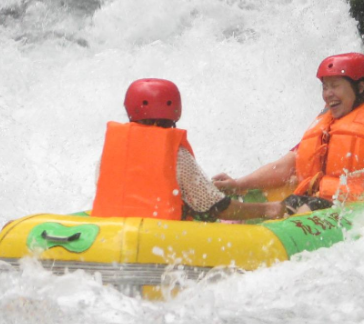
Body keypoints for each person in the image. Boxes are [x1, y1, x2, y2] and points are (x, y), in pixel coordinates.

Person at [212, 53, 364, 210]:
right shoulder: (324, 126)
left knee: (305, 207)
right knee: (294, 203)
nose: (328, 94)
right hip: (312, 200)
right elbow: (285, 166)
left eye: (335, 86)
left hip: (349, 205)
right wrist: (238, 184)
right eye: (325, 87)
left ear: (359, 87)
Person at [91, 78, 285, 221]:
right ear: (175, 110)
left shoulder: (109, 155)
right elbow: (216, 207)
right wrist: (267, 209)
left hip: (111, 233)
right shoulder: (177, 156)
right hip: (160, 238)